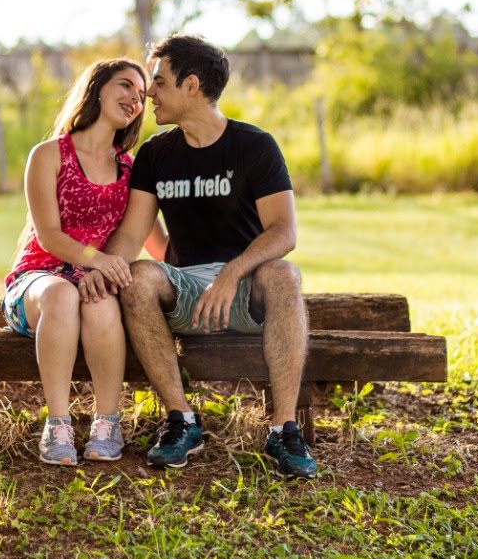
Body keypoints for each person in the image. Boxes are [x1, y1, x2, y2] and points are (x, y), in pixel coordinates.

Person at [100, 34, 317, 479]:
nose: (148, 94)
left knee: (284, 274)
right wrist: (97, 271)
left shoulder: (254, 146)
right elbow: (131, 236)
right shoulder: (156, 154)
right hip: (186, 292)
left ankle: (283, 429)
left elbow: (284, 231)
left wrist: (233, 274)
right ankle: (182, 421)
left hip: (247, 289)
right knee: (139, 276)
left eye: (158, 82)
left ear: (192, 86)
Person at [4, 58, 161, 466]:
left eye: (141, 95)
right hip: (39, 280)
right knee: (61, 295)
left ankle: (107, 422)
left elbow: (153, 240)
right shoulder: (49, 155)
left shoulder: (131, 170)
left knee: (101, 302)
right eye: (125, 85)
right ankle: (57, 425)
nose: (134, 99)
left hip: (95, 280)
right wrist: (100, 262)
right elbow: (49, 236)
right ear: (96, 88)